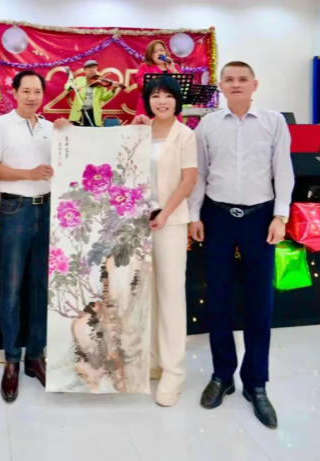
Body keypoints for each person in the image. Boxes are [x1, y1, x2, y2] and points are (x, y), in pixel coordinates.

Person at [188, 61, 294, 429]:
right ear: (220, 85)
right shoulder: (207, 125)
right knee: (218, 298)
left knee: (259, 302)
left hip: (260, 218)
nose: (236, 84)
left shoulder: (273, 122)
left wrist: (280, 216)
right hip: (217, 216)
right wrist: (194, 215)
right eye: (229, 79)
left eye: (242, 79)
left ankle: (256, 383)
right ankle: (222, 376)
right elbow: (200, 173)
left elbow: (283, 171)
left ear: (254, 85)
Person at [0, 70, 70, 403]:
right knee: (11, 286)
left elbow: (68, 158)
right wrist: (28, 174)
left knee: (42, 287)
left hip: (47, 210)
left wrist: (67, 133)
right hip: (15, 209)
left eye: (37, 92)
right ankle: (12, 359)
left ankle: (36, 355)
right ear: (15, 92)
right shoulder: (1, 125)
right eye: (26, 91)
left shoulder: (51, 128)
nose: (32, 97)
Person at [132, 76, 197, 407]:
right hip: (138, 223)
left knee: (171, 294)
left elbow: (189, 180)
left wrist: (164, 212)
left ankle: (174, 371)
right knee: (147, 293)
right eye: (155, 96)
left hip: (169, 222)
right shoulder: (139, 130)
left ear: (176, 101)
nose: (161, 101)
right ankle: (154, 360)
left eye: (168, 96)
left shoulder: (185, 134)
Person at [65, 59, 121, 127]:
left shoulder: (100, 82)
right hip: (79, 113)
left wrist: (113, 89)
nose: (92, 69)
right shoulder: (78, 79)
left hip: (94, 114)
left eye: (94, 67)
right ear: (84, 70)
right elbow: (67, 85)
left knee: (94, 132)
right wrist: (73, 86)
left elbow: (104, 98)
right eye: (89, 67)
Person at [135, 40, 179, 118]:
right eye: (155, 52)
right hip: (149, 107)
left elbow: (182, 85)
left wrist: (173, 70)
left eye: (161, 50)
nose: (159, 53)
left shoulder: (175, 66)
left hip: (170, 106)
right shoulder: (145, 67)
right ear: (150, 54)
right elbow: (140, 84)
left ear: (165, 52)